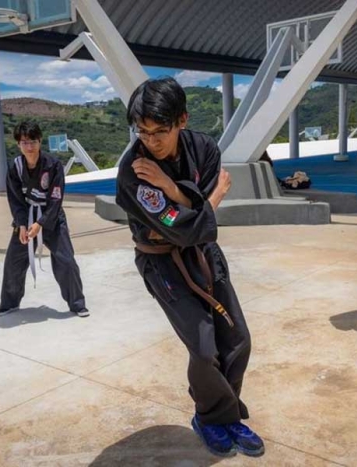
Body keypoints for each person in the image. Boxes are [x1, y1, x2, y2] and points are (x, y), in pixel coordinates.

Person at [115, 77, 264, 458]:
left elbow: (196, 219)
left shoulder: (203, 148)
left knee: (238, 339)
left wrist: (174, 188)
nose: (151, 141)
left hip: (206, 254)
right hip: (161, 260)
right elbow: (184, 228)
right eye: (143, 132)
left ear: (182, 120)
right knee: (202, 346)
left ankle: (226, 416)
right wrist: (207, 199)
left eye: (160, 131)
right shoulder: (133, 171)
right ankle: (210, 417)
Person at [0, 121, 88, 318]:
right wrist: (21, 224)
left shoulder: (53, 165)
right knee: (14, 261)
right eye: (24, 142)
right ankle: (9, 303)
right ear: (18, 144)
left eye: (33, 142)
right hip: (26, 217)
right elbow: (15, 199)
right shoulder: (15, 167)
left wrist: (41, 224)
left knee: (66, 260)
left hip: (51, 218)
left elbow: (56, 198)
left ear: (40, 141)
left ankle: (77, 304)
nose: (29, 147)